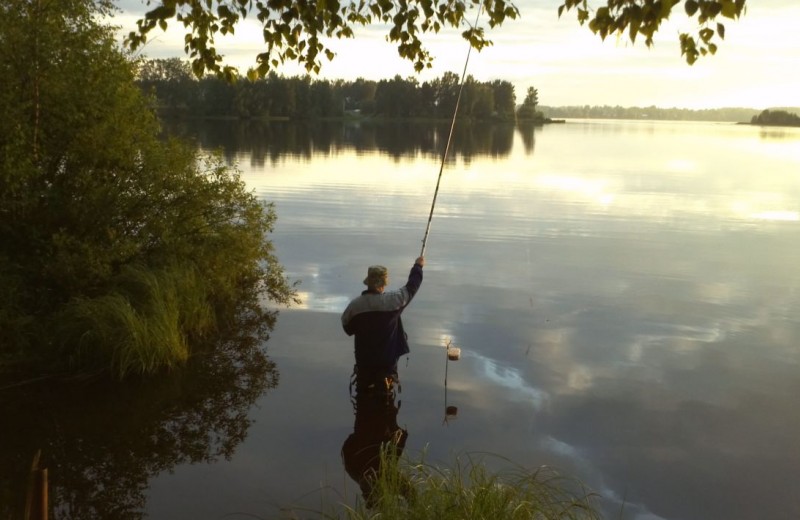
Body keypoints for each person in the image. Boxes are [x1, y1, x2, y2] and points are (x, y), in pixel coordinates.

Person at [341, 256, 424, 392]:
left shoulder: (354, 306)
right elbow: (412, 286)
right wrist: (418, 266)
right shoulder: (394, 301)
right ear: (383, 284)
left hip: (364, 363)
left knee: (363, 401)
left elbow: (347, 329)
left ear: (368, 283)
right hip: (387, 364)